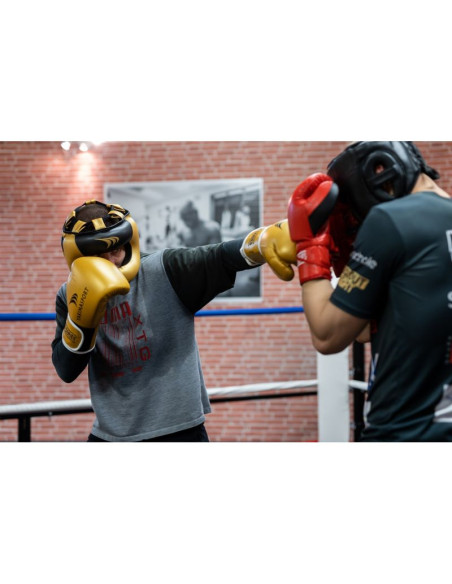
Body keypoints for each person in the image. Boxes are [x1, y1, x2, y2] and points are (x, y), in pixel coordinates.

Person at [52, 200, 296, 441]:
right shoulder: (69, 295)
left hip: (178, 429)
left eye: (115, 250)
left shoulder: (163, 270)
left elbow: (218, 256)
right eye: (98, 256)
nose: (112, 261)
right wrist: (81, 319)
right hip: (111, 434)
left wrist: (261, 241)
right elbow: (66, 370)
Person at [287, 141, 452, 442]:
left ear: (380, 171)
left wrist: (309, 245)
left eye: (353, 212)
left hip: (403, 433)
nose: (355, 224)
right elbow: (364, 329)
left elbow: (327, 335)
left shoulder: (390, 221)